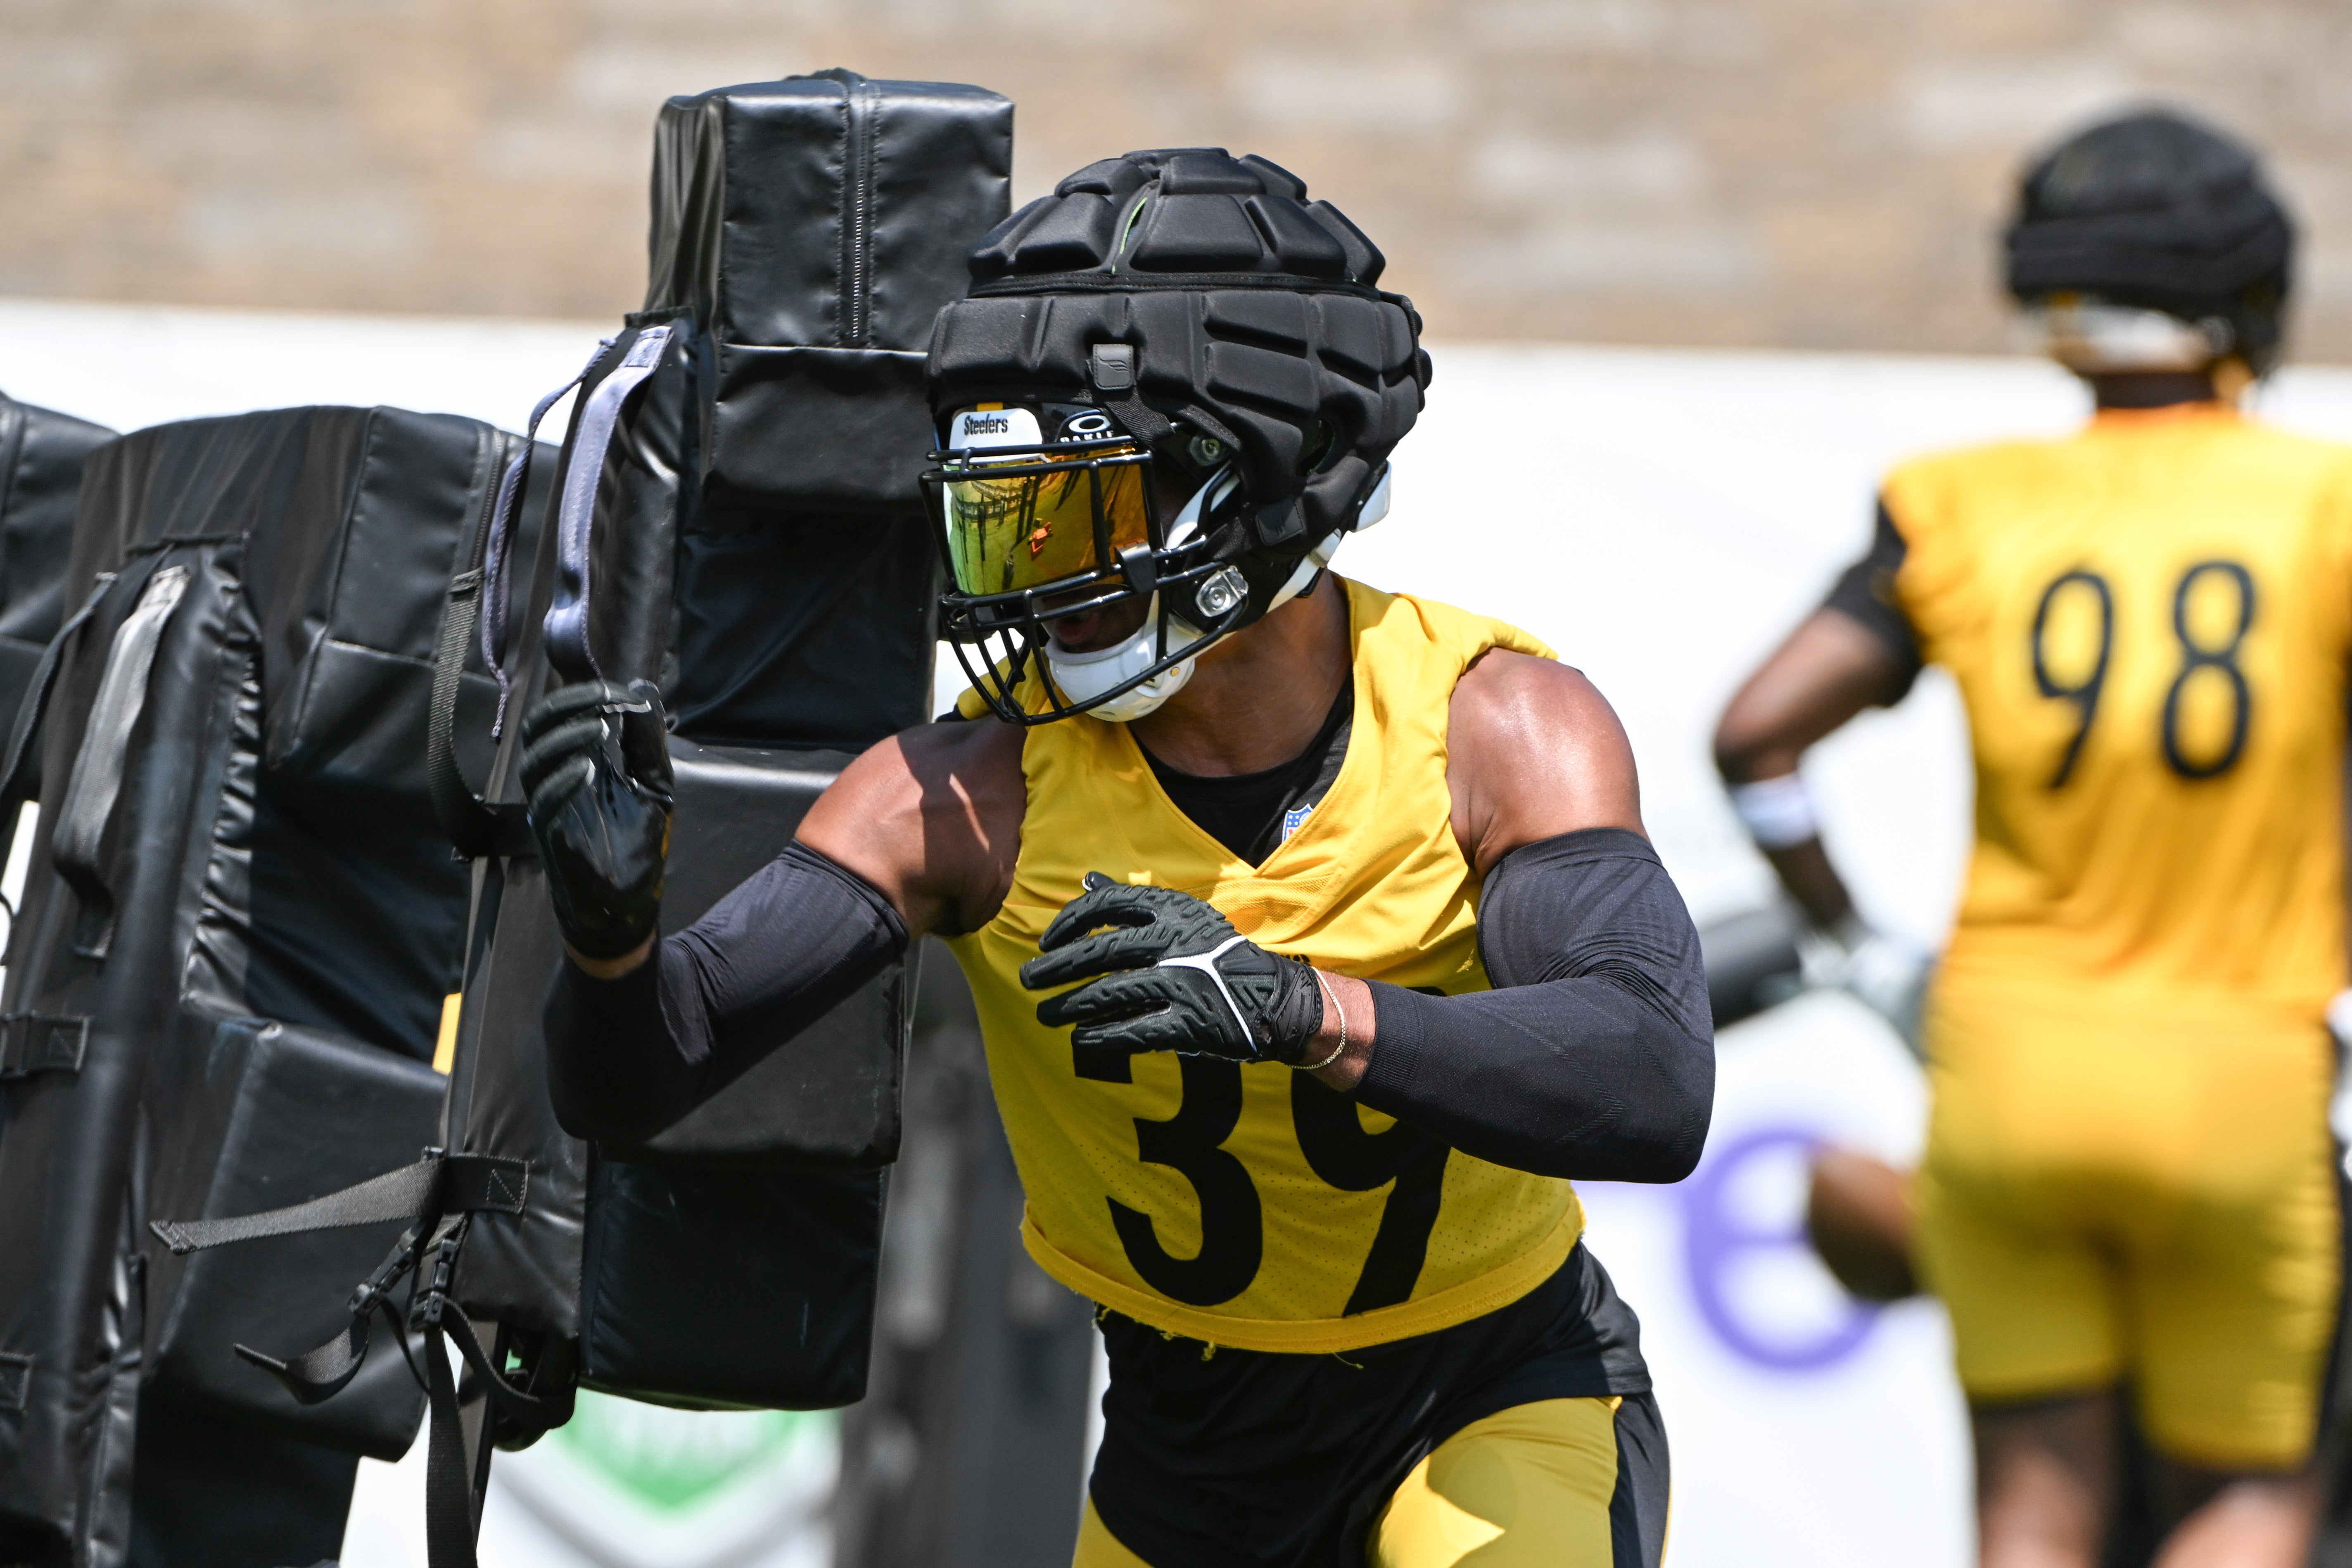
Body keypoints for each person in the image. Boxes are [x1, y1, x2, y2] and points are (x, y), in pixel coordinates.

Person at [523, 148, 1714, 1567]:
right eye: (1002, 517)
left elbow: (1653, 1080)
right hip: (1184, 1463)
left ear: (1251, 480)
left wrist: (1302, 1010)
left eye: (1077, 508)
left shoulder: (1495, 726)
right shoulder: (958, 796)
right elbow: (640, 1075)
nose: (1033, 571)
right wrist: (608, 938)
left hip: (1494, 1388)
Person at [1713, 109, 2342, 1568]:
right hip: (2241, 1067)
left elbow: (1755, 738)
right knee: (2252, 1500)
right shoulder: (2325, 504)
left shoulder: (1957, 502)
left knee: (2031, 1520)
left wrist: (1856, 943)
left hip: (2005, 1066)